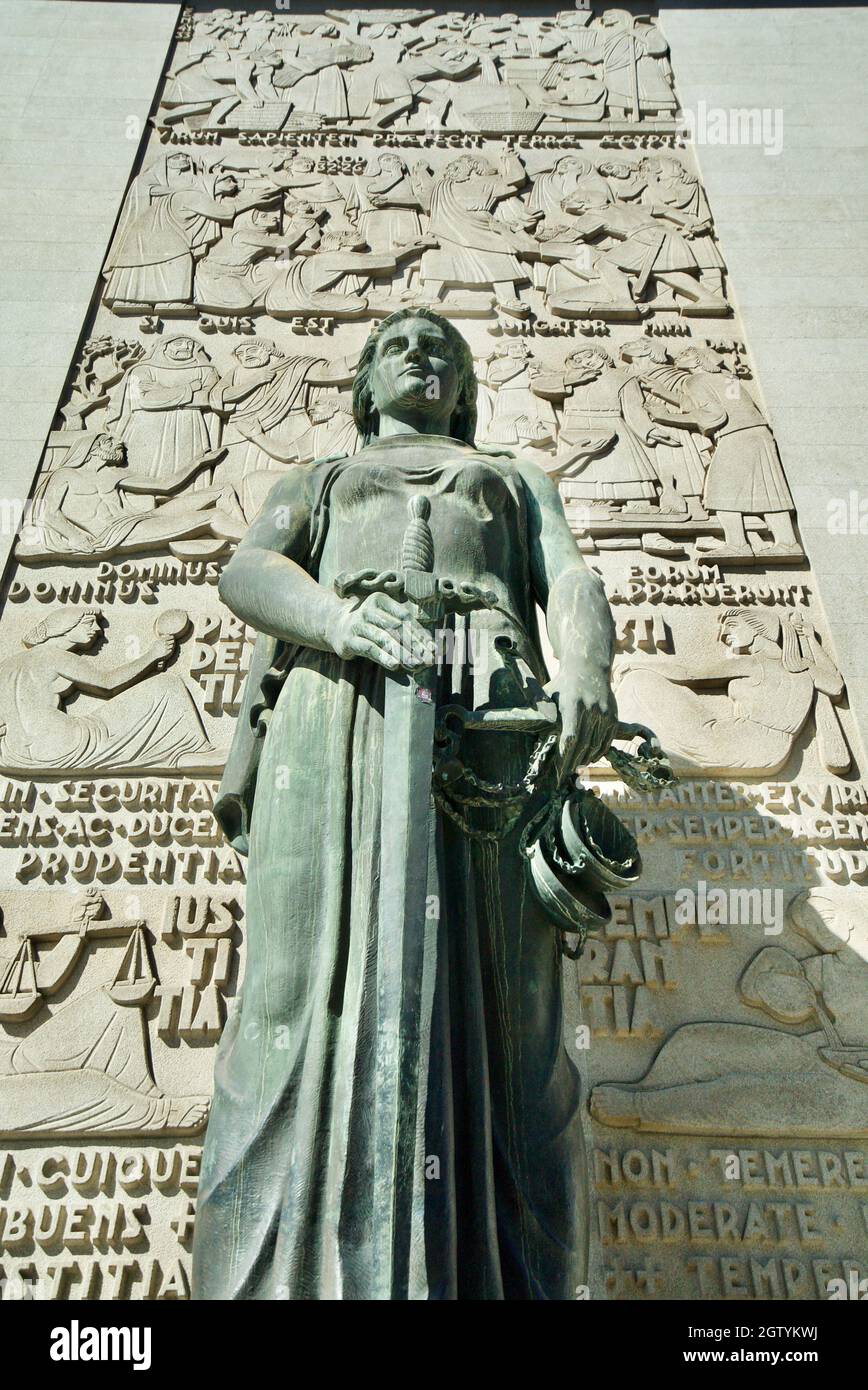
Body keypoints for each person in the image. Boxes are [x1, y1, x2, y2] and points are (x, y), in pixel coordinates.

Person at [191, 308, 620, 1301]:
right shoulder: (319, 480)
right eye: (396, 346)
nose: (420, 355)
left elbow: (569, 579)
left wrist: (587, 670)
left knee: (518, 1020)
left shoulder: (511, 479)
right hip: (337, 714)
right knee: (293, 996)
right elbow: (247, 570)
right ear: (365, 387)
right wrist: (346, 620)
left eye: (441, 349)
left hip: (493, 723)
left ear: (465, 390)